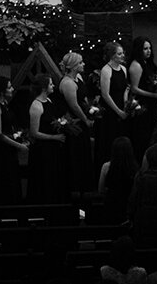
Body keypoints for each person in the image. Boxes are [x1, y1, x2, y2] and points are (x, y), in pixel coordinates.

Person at [0, 76, 27, 204]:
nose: (12, 89)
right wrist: (18, 145)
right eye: (9, 87)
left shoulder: (4, 103)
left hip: (9, 148)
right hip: (0, 151)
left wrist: (19, 135)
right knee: (3, 181)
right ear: (1, 90)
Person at [27, 74, 69, 204]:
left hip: (52, 147)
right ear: (44, 88)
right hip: (42, 149)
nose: (53, 86)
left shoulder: (49, 101)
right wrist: (54, 137)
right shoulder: (36, 105)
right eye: (51, 84)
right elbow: (34, 132)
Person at [59, 52, 95, 195]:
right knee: (76, 154)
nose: (83, 64)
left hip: (82, 120)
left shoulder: (78, 78)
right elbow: (74, 106)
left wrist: (91, 110)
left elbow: (83, 99)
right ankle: (75, 187)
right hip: (74, 123)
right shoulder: (67, 83)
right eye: (80, 63)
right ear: (74, 66)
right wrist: (85, 119)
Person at [128, 37, 157, 160]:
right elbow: (134, 88)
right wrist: (153, 95)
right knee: (143, 134)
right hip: (142, 105)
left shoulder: (148, 63)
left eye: (149, 48)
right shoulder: (136, 65)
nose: (148, 51)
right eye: (145, 48)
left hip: (152, 103)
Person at [97, 41, 129, 164]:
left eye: (122, 53)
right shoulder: (106, 70)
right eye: (119, 54)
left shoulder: (124, 69)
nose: (122, 56)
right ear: (112, 55)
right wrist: (118, 111)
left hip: (122, 106)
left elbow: (125, 89)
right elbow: (105, 94)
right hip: (110, 109)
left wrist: (126, 106)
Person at [98, 136, 138, 225]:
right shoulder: (135, 169)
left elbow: (100, 190)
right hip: (128, 209)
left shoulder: (106, 167)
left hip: (111, 207)